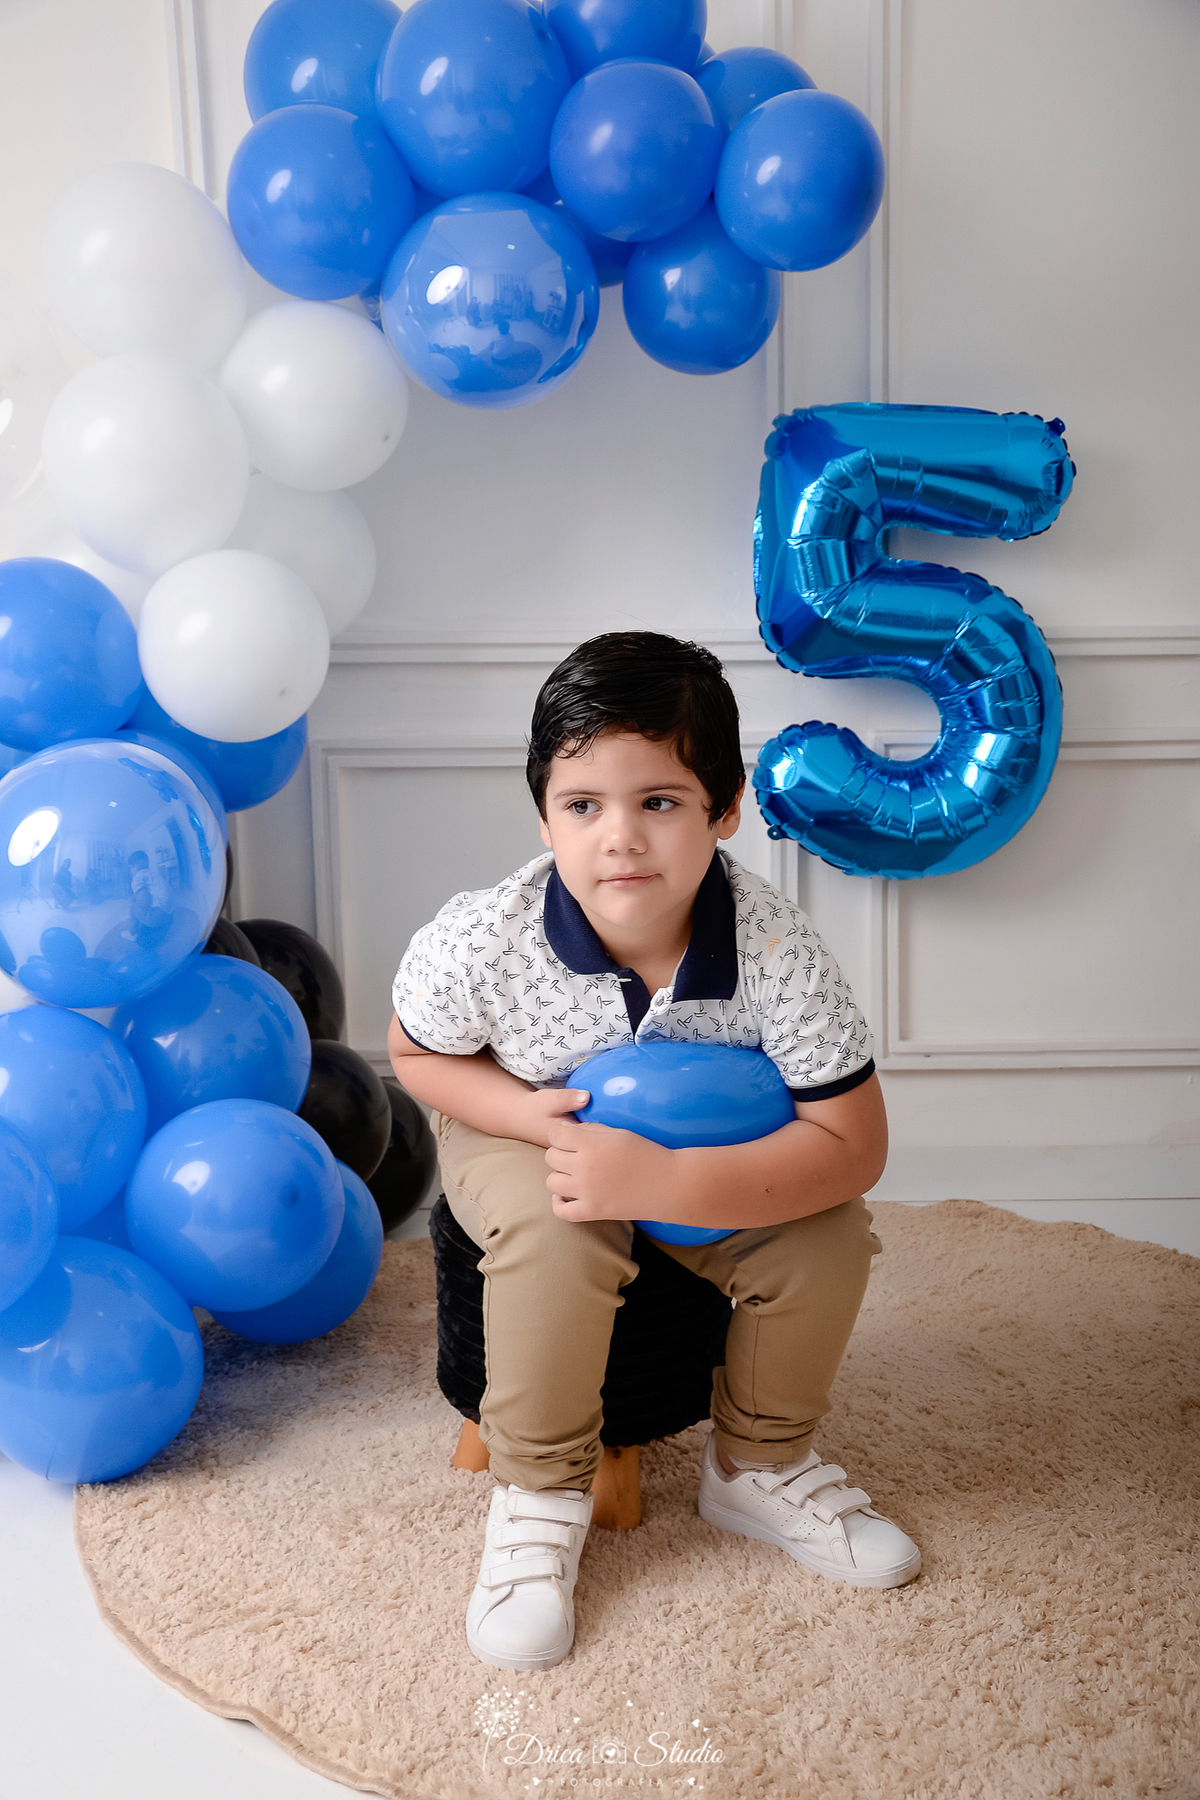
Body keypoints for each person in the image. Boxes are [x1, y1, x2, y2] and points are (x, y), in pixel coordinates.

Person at [389, 631, 920, 1674]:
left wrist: (671, 1181)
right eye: (583, 805)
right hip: (522, 1113)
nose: (620, 838)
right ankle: (539, 1492)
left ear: (724, 810)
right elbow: (416, 1053)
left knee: (826, 1244)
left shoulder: (774, 950)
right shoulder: (485, 937)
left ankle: (757, 1468)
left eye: (660, 802)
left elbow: (854, 1146)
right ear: (544, 813)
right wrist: (532, 1118)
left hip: (708, 1141)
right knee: (560, 1227)